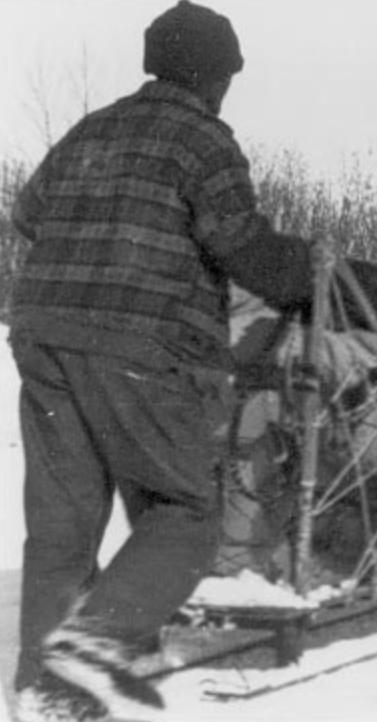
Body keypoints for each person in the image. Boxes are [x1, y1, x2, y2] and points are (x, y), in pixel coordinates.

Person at [8, 2, 314, 719]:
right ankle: (90, 649)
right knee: (184, 512)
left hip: (43, 330)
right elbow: (239, 245)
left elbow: (27, 212)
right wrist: (301, 270)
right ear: (213, 75)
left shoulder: (95, 127)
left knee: (63, 524)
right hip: (138, 341)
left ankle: (43, 690)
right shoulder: (204, 139)